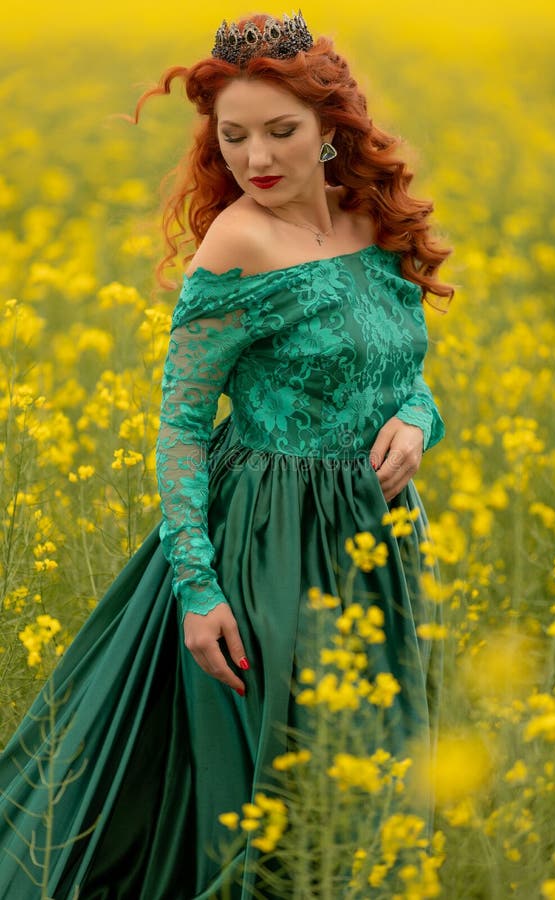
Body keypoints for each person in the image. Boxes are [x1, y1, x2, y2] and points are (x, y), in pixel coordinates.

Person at [0, 12, 453, 899]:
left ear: (333, 131)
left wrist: (418, 418)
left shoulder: (372, 218)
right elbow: (180, 422)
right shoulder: (239, 241)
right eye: (233, 136)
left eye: (281, 132)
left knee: (384, 763)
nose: (258, 158)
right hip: (269, 537)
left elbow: (405, 367)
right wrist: (198, 590)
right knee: (287, 775)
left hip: (380, 533)